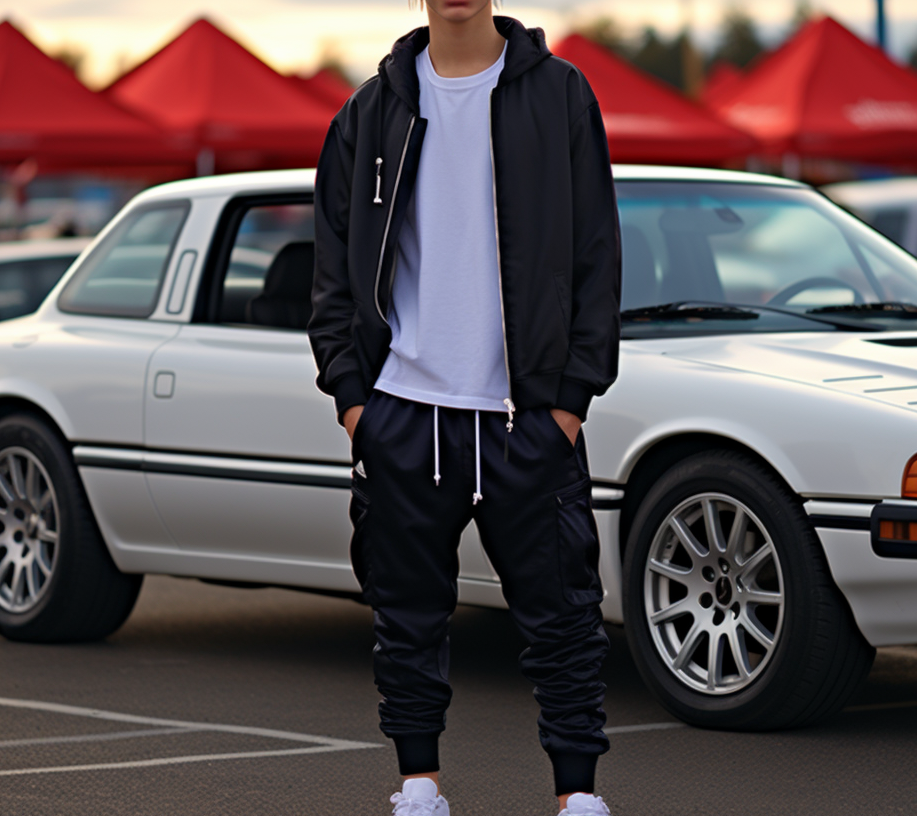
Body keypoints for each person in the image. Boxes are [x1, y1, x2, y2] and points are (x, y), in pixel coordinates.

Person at [308, 1, 621, 814]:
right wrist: (354, 402)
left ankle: (577, 797)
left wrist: (571, 402)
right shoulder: (369, 110)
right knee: (406, 618)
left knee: (564, 623)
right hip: (405, 411)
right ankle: (419, 787)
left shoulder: (559, 94)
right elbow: (333, 268)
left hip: (527, 418)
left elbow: (597, 252)